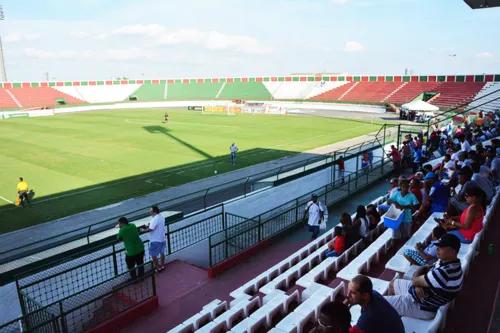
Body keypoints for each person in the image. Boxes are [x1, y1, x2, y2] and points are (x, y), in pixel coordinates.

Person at [386, 234, 463, 320]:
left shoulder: (443, 273)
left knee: (380, 303)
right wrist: (418, 284)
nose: (437, 249)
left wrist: (418, 281)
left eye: (441, 247)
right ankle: (395, 312)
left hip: (422, 306)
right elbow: (424, 272)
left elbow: (415, 279)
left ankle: (393, 314)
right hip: (420, 294)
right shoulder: (449, 263)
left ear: (452, 252)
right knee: (392, 284)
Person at [141, 205, 167, 273]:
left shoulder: (154, 219)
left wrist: (143, 230)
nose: (150, 213)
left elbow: (151, 229)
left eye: (151, 212)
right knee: (162, 253)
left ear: (154, 212)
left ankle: (158, 268)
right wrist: (150, 225)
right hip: (163, 239)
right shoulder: (162, 216)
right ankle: (162, 266)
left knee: (153, 255)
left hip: (155, 240)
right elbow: (156, 226)